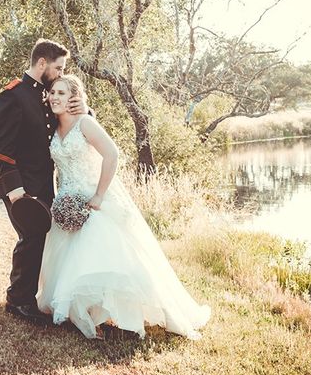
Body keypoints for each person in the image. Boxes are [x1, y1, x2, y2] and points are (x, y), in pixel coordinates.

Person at [37, 75, 211, 339]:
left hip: (91, 199)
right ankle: (82, 312)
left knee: (105, 256)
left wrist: (98, 195)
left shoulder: (85, 123)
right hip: (67, 201)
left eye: (62, 93)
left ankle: (120, 312)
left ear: (74, 97)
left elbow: (112, 154)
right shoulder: (52, 126)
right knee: (71, 258)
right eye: (52, 92)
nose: (55, 97)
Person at [0, 39, 86, 322]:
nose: (60, 74)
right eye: (58, 68)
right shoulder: (13, 95)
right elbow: (1, 147)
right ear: (42, 63)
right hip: (18, 185)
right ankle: (18, 301)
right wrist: (15, 190)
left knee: (38, 239)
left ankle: (24, 297)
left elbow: (69, 126)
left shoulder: (49, 94)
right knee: (30, 238)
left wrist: (84, 110)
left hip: (45, 183)